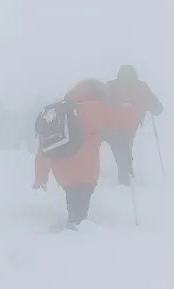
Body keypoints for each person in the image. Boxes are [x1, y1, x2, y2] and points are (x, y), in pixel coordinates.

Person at [32, 79, 117, 229]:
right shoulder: (94, 108)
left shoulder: (59, 112)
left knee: (73, 201)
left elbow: (43, 150)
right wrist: (135, 106)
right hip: (84, 173)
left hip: (62, 173)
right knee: (79, 215)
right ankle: (73, 238)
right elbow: (122, 118)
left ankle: (72, 229)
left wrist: (41, 177)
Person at [103, 64, 163, 185]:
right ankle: (126, 176)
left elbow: (99, 102)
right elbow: (158, 109)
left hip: (111, 126)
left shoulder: (110, 86)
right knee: (125, 148)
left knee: (120, 150)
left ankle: (125, 177)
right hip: (131, 126)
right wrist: (153, 103)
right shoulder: (141, 87)